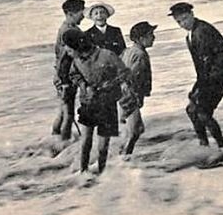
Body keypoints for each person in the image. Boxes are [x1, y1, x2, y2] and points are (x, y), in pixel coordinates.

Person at [168, 2, 223, 149]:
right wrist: (197, 87)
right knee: (192, 110)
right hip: (209, 76)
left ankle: (222, 147)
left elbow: (206, 63)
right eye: (178, 21)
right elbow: (201, 67)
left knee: (202, 112)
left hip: (218, 75)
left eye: (185, 19)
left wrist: (198, 88)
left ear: (192, 14)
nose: (182, 24)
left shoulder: (202, 31)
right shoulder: (192, 34)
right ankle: (204, 144)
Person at [62, 28, 128, 174]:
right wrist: (84, 85)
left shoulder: (107, 55)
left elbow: (124, 73)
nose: (67, 52)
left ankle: (102, 173)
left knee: (103, 146)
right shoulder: (76, 60)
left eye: (69, 49)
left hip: (107, 104)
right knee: (85, 141)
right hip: (88, 104)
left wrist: (109, 84)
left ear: (78, 46)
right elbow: (74, 75)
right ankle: (83, 172)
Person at [119, 21, 156, 157]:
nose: (153, 37)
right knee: (135, 130)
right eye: (150, 35)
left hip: (121, 94)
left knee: (133, 129)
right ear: (141, 39)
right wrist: (135, 98)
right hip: (129, 96)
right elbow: (131, 78)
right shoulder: (140, 55)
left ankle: (121, 155)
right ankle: (124, 158)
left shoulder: (128, 51)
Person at [52, 0, 86, 140]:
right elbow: (64, 60)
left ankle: (55, 139)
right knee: (69, 114)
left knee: (63, 111)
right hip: (66, 76)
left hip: (62, 75)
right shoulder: (69, 31)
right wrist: (65, 81)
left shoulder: (65, 28)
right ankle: (64, 143)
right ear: (71, 13)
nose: (83, 16)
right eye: (81, 13)